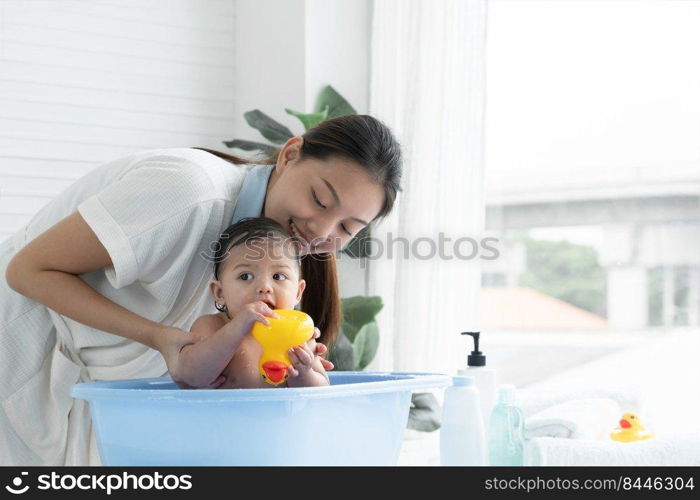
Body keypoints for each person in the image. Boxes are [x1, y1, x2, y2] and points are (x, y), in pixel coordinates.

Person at [0, 114, 402, 465]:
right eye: (319, 199)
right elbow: (27, 270)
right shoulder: (189, 190)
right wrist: (161, 339)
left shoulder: (273, 262)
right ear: (290, 153)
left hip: (91, 398)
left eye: (348, 228)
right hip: (19, 350)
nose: (321, 231)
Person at [178, 217, 329, 389]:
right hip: (223, 416)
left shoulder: (298, 336)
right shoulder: (212, 327)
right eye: (246, 276)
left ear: (298, 292)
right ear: (220, 292)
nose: (264, 287)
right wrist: (236, 328)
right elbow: (190, 376)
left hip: (281, 416)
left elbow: (321, 390)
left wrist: (304, 373)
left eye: (278, 276)